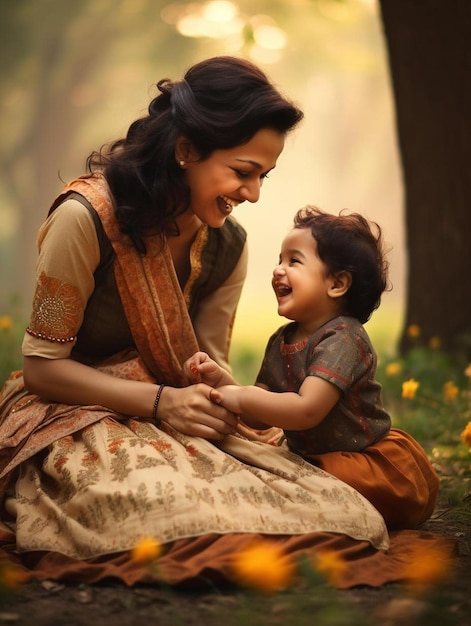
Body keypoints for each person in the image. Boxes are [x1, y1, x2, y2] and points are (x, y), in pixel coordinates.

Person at [0, 58, 448, 591]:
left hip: (175, 412)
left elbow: (201, 367)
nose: (253, 194)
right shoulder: (82, 221)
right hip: (72, 412)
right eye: (243, 171)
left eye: (264, 176)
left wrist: (207, 396)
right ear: (186, 150)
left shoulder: (227, 244)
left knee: (333, 510)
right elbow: (43, 370)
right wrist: (163, 403)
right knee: (146, 509)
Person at [185, 206, 439, 530]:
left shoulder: (344, 338)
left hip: (361, 463)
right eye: (279, 259)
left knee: (307, 498)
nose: (278, 270)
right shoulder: (282, 339)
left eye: (294, 261)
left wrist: (242, 397)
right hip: (313, 459)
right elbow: (261, 410)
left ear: (337, 284)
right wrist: (223, 384)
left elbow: (306, 410)